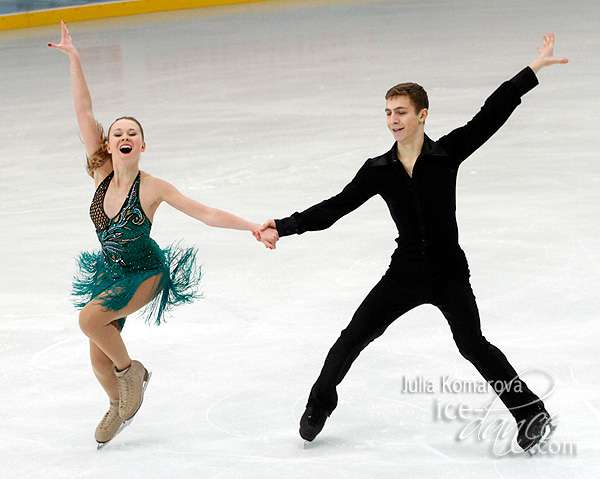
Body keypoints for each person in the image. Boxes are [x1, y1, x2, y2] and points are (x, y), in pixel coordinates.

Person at [259, 33, 568, 453]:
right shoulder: (378, 170)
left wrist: (531, 71)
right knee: (352, 338)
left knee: (472, 344)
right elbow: (335, 208)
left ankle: (531, 412)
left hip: (448, 272)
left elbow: (490, 115)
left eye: (401, 111)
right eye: (388, 112)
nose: (393, 119)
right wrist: (283, 225)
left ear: (422, 115)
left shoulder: (448, 153)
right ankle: (318, 406)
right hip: (404, 274)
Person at [49, 21, 278, 447]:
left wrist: (253, 226)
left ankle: (132, 372)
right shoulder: (101, 173)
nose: (122, 136)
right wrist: (75, 59)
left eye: (131, 133)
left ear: (141, 145)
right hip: (111, 272)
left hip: (145, 274)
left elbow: (204, 212)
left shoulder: (153, 188)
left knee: (88, 320)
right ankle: (119, 402)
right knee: (98, 358)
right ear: (108, 143)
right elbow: (83, 113)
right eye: (117, 132)